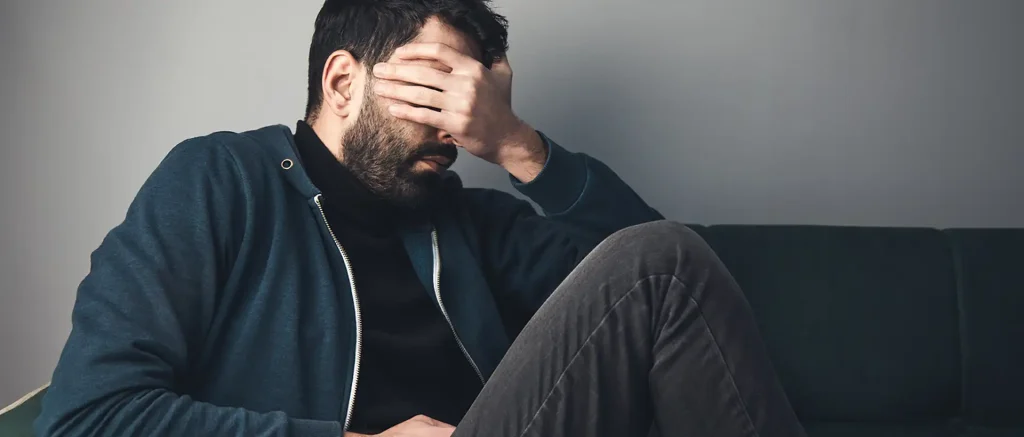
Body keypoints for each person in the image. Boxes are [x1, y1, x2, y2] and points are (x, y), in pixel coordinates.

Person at [35, 0, 807, 436]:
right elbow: (87, 416)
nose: (455, 126)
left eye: (474, 99)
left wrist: (517, 143)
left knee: (664, 259)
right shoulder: (219, 181)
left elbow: (677, 298)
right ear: (344, 82)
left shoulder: (471, 223)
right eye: (437, 88)